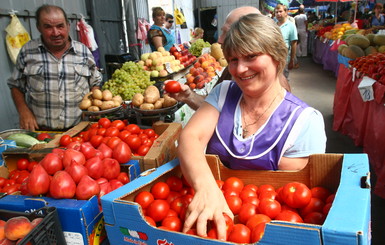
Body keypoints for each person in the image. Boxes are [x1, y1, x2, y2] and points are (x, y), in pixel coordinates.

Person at [177, 13, 326, 240]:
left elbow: (297, 194)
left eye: (251, 56)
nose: (240, 69)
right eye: (233, 60)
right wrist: (207, 188)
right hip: (216, 222)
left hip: (267, 231)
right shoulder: (223, 93)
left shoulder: (305, 121)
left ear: (277, 55)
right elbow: (191, 137)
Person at [166, 6, 293, 110]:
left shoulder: (280, 92)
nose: (220, 40)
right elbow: (214, 105)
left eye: (227, 32)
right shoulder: (231, 72)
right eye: (234, 60)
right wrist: (189, 96)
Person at [7, 4, 102, 131]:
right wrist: (23, 111)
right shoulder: (28, 51)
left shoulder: (83, 51)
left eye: (60, 26)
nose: (55, 33)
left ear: (68, 26)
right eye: (48, 27)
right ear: (38, 28)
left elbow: (95, 83)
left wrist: (92, 108)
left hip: (79, 129)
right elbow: (15, 86)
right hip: (41, 131)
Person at [275, 4, 298, 79]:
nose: (278, 14)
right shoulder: (273, 25)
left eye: (280, 11)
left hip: (284, 58)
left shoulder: (291, 26)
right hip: (273, 57)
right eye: (276, 12)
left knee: (283, 79)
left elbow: (294, 44)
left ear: (286, 12)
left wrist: (292, 60)